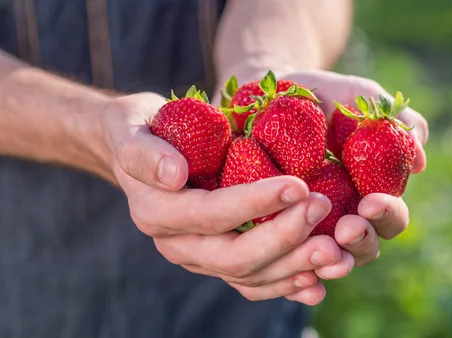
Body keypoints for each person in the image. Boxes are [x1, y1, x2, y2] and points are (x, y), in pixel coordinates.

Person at [0, 0, 429, 337]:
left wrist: (263, 67)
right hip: (30, 272)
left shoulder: (260, 147)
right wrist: (93, 128)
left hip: (254, 290)